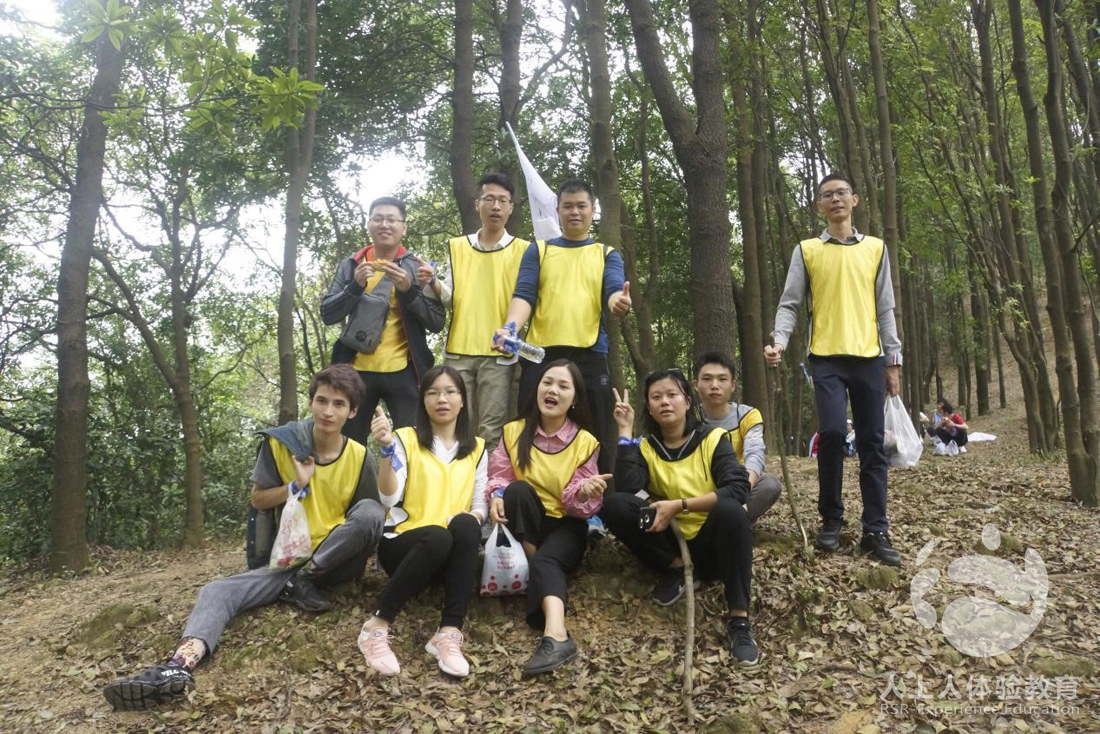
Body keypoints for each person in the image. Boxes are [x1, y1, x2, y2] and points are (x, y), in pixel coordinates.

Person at [103, 365, 385, 710]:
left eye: (339, 404)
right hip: (288, 561)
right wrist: (296, 485)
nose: (328, 411)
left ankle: (306, 579)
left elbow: (368, 521)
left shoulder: (359, 456)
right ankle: (178, 666)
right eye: (322, 401)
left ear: (352, 411)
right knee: (216, 591)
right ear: (311, 402)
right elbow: (258, 500)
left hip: (334, 561)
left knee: (371, 511)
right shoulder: (283, 444)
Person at [765, 172, 903, 567]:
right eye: (828, 195)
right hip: (825, 357)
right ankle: (831, 520)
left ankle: (875, 529)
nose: (836, 199)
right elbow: (790, 303)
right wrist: (779, 341)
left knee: (872, 443)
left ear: (855, 200)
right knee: (831, 434)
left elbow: (885, 308)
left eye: (842, 193)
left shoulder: (875, 249)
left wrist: (893, 360)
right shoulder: (807, 250)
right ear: (819, 205)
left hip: (869, 357)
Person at [602, 370, 758, 666]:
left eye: (672, 395)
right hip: (667, 542)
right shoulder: (646, 447)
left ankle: (739, 620)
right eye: (656, 397)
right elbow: (628, 487)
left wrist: (680, 505)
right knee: (615, 505)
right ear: (649, 408)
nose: (665, 402)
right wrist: (624, 431)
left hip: (711, 544)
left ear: (687, 401)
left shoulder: (712, 438)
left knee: (732, 510)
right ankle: (677, 570)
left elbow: (739, 489)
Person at [357, 366, 487, 678]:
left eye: (450, 392)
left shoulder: (477, 448)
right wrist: (386, 451)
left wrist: (472, 517)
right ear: (423, 400)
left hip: (449, 557)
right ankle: (376, 625)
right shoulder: (405, 439)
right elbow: (389, 497)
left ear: (462, 400)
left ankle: (448, 633)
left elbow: (480, 505)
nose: (442, 399)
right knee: (438, 537)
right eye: (433, 392)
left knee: (468, 524)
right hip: (404, 548)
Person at [492, 179, 631, 470]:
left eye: (581, 206)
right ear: (557, 211)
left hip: (590, 353)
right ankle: (523, 488)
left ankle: (598, 495)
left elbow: (613, 290)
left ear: (593, 210)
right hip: (541, 355)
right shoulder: (539, 250)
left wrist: (618, 302)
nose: (574, 212)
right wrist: (509, 328)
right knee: (528, 425)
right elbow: (524, 294)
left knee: (596, 431)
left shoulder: (606, 254)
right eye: (567, 206)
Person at [486, 359, 609, 675]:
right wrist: (496, 496)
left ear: (575, 399)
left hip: (566, 525)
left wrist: (583, 492)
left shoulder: (585, 442)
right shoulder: (514, 432)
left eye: (563, 386)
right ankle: (538, 568)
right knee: (515, 490)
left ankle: (557, 636)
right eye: (547, 382)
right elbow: (499, 476)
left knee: (546, 560)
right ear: (537, 388)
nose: (553, 390)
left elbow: (578, 506)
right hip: (526, 523)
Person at [420, 173, 529, 450]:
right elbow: (451, 298)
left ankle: (487, 479)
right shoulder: (457, 247)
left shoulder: (524, 250)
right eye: (489, 199)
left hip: (499, 353)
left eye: (503, 201)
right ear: (477, 204)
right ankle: (455, 477)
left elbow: (528, 298)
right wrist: (432, 281)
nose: (496, 206)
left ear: (511, 207)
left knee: (491, 430)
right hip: (459, 350)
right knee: (455, 425)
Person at [321, 196, 445, 438]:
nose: (384, 225)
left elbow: (437, 322)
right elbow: (328, 314)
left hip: (405, 370)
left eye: (391, 220)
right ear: (369, 225)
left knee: (411, 442)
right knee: (348, 444)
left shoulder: (417, 267)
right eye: (378, 219)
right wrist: (354, 287)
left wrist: (409, 290)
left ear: (403, 227)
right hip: (355, 370)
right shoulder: (352, 264)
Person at [693, 351, 783, 523]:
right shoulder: (688, 418)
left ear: (733, 385)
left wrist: (742, 491)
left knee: (770, 485)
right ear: (696, 385)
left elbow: (755, 454)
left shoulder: (747, 415)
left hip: (738, 484)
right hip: (698, 488)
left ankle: (734, 522)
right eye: (707, 379)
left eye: (722, 379)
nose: (714, 385)